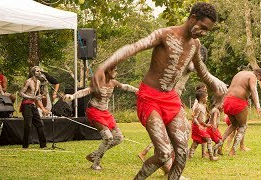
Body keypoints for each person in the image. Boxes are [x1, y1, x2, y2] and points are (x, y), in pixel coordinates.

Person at [92, 2, 227, 179]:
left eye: (207, 30)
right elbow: (134, 47)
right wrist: (104, 66)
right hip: (149, 98)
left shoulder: (195, 44)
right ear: (193, 18)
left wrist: (216, 86)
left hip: (170, 100)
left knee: (181, 153)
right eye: (202, 27)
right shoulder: (165, 34)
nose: (203, 32)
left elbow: (202, 71)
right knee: (163, 153)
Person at [64, 66, 138, 170]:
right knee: (108, 138)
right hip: (94, 111)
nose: (116, 72)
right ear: (108, 71)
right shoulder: (97, 84)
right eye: (115, 70)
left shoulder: (113, 83)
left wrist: (137, 91)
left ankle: (93, 155)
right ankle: (95, 164)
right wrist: (72, 96)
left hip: (105, 112)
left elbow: (125, 86)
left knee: (119, 138)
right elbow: (85, 91)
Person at [222, 68, 261, 156]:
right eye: (259, 80)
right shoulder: (252, 76)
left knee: (233, 125)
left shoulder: (240, 73)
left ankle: (218, 146)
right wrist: (258, 106)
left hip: (227, 100)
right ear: (258, 75)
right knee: (243, 126)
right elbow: (253, 90)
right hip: (238, 102)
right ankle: (233, 151)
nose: (257, 81)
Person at [20, 66, 50, 148]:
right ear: (33, 72)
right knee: (28, 125)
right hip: (26, 105)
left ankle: (43, 145)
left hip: (33, 105)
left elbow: (38, 95)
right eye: (37, 71)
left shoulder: (39, 82)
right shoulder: (28, 81)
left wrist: (41, 96)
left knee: (40, 124)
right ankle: (25, 145)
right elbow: (21, 93)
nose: (39, 72)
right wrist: (33, 98)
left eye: (40, 71)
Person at [189, 89, 218, 161]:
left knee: (196, 142)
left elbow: (201, 120)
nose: (207, 99)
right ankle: (211, 157)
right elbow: (195, 118)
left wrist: (205, 125)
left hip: (200, 126)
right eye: (206, 97)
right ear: (202, 98)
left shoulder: (203, 106)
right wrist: (199, 126)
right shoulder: (198, 107)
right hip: (197, 127)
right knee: (209, 139)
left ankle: (189, 156)